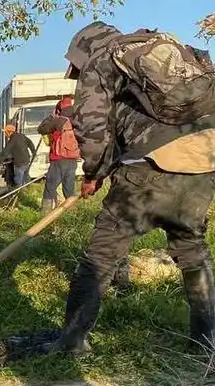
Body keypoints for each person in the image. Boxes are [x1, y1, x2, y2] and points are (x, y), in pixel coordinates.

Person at [52, 22, 215, 354]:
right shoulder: (165, 49)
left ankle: (72, 342)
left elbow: (92, 125)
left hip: (148, 166)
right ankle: (207, 342)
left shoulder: (102, 59)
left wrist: (94, 173)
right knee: (193, 253)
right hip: (202, 162)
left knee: (101, 255)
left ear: (83, 50)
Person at [38, 96, 81, 212]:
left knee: (50, 186)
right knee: (69, 188)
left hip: (59, 158)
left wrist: (50, 116)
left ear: (59, 108)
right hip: (73, 158)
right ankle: (71, 212)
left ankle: (44, 212)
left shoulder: (59, 120)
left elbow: (41, 129)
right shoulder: (77, 119)